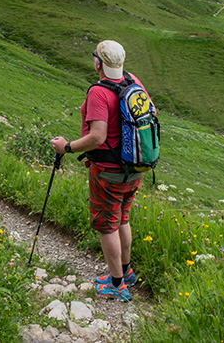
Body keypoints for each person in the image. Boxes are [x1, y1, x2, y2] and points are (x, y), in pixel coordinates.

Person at [51, 40, 147, 302]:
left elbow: (97, 137)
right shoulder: (133, 81)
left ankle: (117, 284)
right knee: (123, 219)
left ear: (98, 63)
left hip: (108, 171)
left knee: (107, 225)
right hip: (135, 167)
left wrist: (66, 147)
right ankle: (126, 273)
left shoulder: (99, 92)